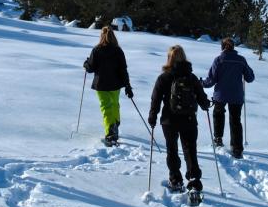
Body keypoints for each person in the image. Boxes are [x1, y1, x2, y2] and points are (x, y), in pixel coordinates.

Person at [148, 45, 210, 193]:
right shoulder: (191, 77)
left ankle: (175, 179)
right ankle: (194, 180)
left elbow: (155, 99)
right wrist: (206, 104)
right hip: (189, 119)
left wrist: (152, 116)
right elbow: (202, 99)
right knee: (190, 149)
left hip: (169, 120)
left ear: (169, 58)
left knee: (172, 149)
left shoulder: (164, 77)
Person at [202, 38, 255, 159]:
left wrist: (201, 83)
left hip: (221, 94)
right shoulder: (241, 60)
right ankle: (237, 149)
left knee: (218, 114)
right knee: (235, 120)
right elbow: (250, 78)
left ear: (222, 47)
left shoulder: (219, 60)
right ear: (233, 47)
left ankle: (218, 139)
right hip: (237, 95)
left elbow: (211, 80)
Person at [83, 26, 133, 146]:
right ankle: (116, 123)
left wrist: (86, 64)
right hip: (116, 84)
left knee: (106, 107)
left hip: (101, 84)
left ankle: (110, 133)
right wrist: (127, 85)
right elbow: (123, 70)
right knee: (115, 104)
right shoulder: (118, 51)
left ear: (101, 36)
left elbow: (91, 68)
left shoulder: (97, 50)